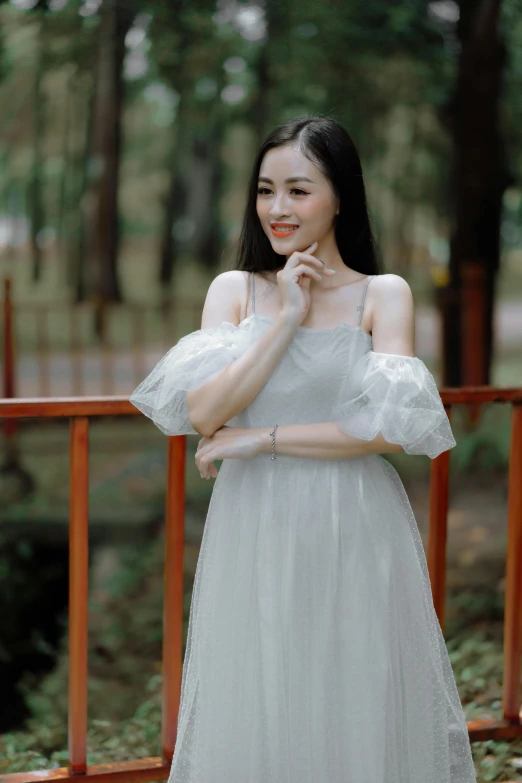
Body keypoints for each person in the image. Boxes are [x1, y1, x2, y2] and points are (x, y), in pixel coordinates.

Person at [130, 116, 477, 783]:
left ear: (340, 196)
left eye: (298, 190)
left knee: (352, 686)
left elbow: (390, 429)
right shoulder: (235, 291)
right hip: (251, 520)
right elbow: (203, 412)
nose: (278, 209)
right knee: (259, 688)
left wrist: (262, 438)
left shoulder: (383, 294)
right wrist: (285, 318)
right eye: (266, 190)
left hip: (352, 519)